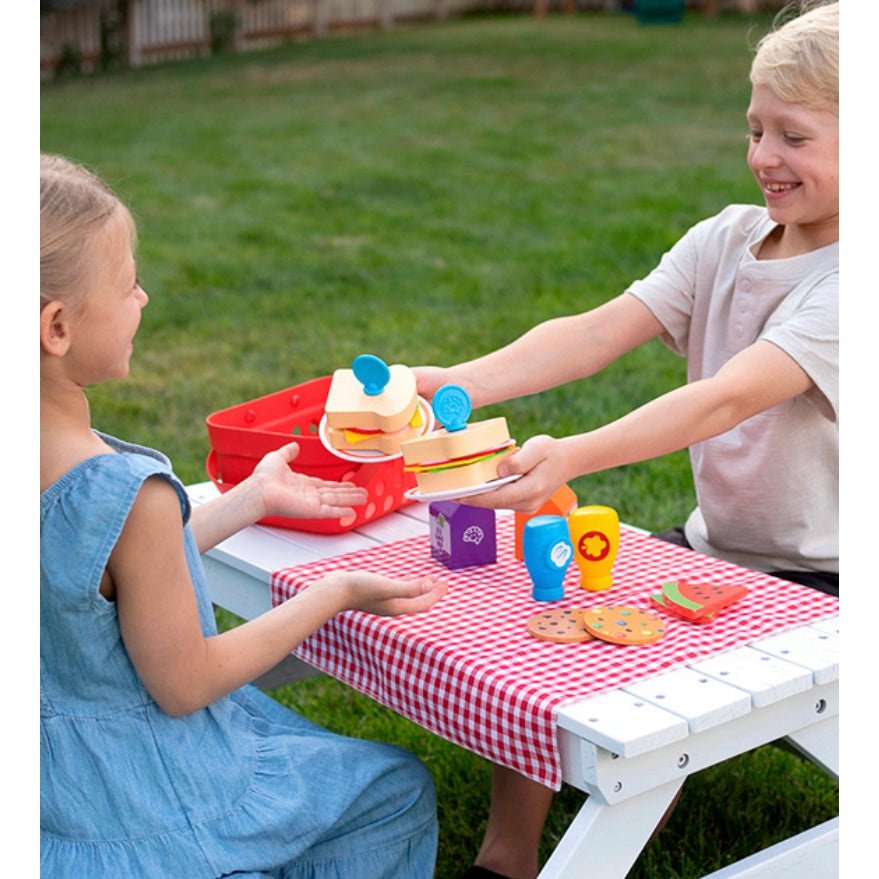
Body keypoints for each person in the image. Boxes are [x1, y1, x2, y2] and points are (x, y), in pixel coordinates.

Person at [415, 3, 839, 877]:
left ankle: (615, 826)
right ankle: (507, 854)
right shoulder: (725, 237)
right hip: (720, 549)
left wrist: (569, 454)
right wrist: (448, 382)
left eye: (792, 136)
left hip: (831, 576)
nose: (762, 156)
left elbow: (722, 400)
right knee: (555, 603)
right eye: (753, 128)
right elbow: (591, 331)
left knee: (646, 666)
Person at [40, 153, 448, 878]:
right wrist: (334, 593)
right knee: (394, 792)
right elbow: (187, 681)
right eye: (129, 282)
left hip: (47, 800)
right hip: (147, 803)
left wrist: (248, 499)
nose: (143, 299)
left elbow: (89, 583)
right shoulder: (128, 491)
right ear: (58, 326)